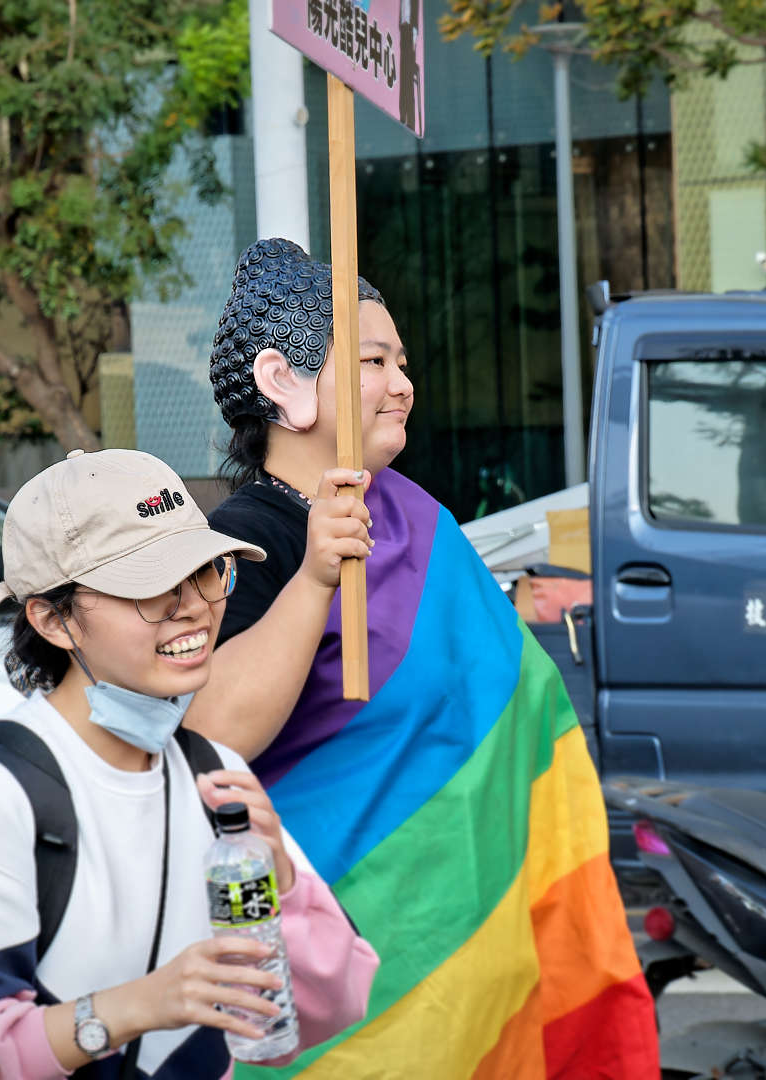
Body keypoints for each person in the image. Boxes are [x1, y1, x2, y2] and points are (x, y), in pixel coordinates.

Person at [187, 238, 659, 1077]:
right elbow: (212, 730)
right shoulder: (243, 542)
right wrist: (315, 579)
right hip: (330, 945)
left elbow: (512, 704)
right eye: (372, 360)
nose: (403, 383)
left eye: (402, 361)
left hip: (468, 939)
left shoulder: (417, 522)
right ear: (283, 384)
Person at [0, 448, 375, 1079]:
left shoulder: (214, 773)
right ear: (53, 620)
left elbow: (321, 1009)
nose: (194, 605)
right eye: (148, 589)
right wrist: (139, 1006)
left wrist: (280, 875)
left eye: (206, 572)